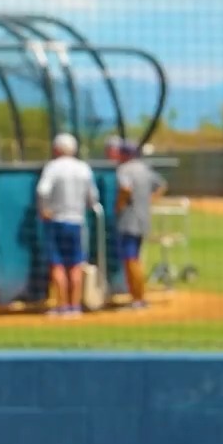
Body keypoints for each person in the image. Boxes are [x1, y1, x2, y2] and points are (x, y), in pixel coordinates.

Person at [36, 132, 99, 315]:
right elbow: (92, 197)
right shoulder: (84, 169)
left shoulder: (53, 167)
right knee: (76, 263)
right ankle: (75, 306)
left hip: (56, 220)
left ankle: (62, 305)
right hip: (77, 221)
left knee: (57, 264)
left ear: (56, 149)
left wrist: (44, 209)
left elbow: (42, 190)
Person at [109, 135, 168, 309]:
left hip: (129, 220)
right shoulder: (145, 169)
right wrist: (150, 200)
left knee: (130, 260)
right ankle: (139, 298)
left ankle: (138, 299)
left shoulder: (124, 170)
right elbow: (162, 185)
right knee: (136, 258)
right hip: (143, 219)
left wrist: (118, 205)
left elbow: (125, 188)